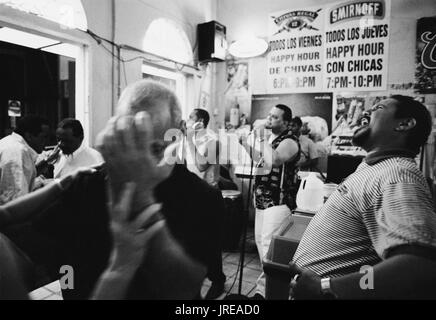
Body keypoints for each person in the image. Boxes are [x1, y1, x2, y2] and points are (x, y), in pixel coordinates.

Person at [1, 80, 223, 300]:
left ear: (180, 130)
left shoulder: (203, 197)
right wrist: (67, 282)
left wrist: (143, 207)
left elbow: (185, 289)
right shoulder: (88, 183)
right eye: (133, 140)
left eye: (154, 146)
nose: (140, 158)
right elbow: (27, 234)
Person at [289, 95, 436, 299]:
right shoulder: (374, 167)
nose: (365, 112)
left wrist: (327, 287)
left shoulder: (398, 175)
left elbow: (418, 265)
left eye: (378, 107)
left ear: (405, 123)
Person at [243, 104, 300, 299]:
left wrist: (260, 138)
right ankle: (264, 290)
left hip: (278, 203)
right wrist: (247, 144)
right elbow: (262, 161)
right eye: (269, 115)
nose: (269, 119)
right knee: (261, 244)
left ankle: (273, 292)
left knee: (270, 249)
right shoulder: (271, 140)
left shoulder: (290, 141)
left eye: (274, 117)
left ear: (285, 122)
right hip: (262, 202)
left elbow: (275, 160)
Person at [181, 108, 226, 299]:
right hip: (191, 192)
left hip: (209, 195)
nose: (187, 121)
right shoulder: (187, 140)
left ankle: (218, 279)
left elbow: (201, 165)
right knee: (191, 239)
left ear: (200, 121)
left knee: (210, 241)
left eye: (190, 118)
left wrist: (190, 139)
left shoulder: (212, 140)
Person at [0, 115, 49, 205]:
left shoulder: (10, 143)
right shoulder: (17, 152)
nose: (46, 141)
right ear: (29, 136)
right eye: (44, 137)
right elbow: (15, 200)